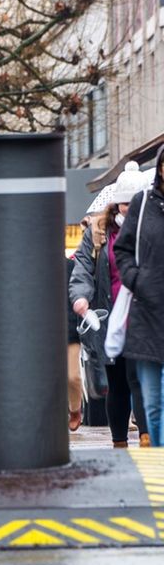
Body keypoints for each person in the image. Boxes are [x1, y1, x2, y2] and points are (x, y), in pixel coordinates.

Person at [73, 162, 155, 448]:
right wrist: (81, 296)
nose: (128, 209)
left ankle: (146, 438)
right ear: (115, 203)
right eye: (123, 203)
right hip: (111, 320)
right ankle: (119, 442)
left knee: (139, 378)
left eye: (133, 203)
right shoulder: (98, 233)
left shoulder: (154, 226)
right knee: (117, 382)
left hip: (145, 317)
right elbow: (82, 269)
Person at [114, 150, 164, 447]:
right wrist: (136, 279)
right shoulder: (143, 204)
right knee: (152, 404)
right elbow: (122, 249)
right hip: (145, 316)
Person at [66, 255, 85, 431]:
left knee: (73, 376)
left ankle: (74, 410)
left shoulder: (71, 267)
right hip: (41, 333)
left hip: (69, 331)